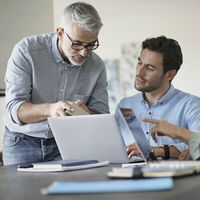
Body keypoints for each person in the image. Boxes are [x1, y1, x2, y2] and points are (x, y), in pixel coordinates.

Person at [3, 2, 109, 166]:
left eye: (91, 45)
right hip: (22, 142)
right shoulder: (26, 51)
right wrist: (51, 109)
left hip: (68, 143)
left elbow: (102, 116)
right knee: (22, 192)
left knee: (68, 191)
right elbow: (14, 110)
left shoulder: (97, 66)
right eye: (77, 44)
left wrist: (85, 112)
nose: (83, 52)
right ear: (60, 33)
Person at [118, 35, 200, 160]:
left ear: (170, 74)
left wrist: (158, 151)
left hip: (175, 178)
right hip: (126, 176)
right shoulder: (124, 105)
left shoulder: (192, 106)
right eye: (139, 62)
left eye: (150, 68)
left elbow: (196, 147)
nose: (139, 72)